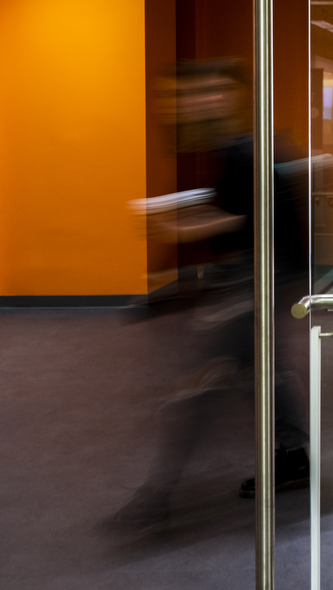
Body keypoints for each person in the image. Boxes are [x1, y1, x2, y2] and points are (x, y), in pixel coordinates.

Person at [114, 58, 309, 530]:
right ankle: (294, 456)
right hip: (266, 273)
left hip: (262, 277)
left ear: (228, 97)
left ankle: (157, 493)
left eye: (209, 93)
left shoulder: (242, 151)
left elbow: (233, 218)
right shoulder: (237, 149)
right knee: (260, 373)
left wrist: (170, 227)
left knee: (203, 383)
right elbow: (231, 210)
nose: (196, 103)